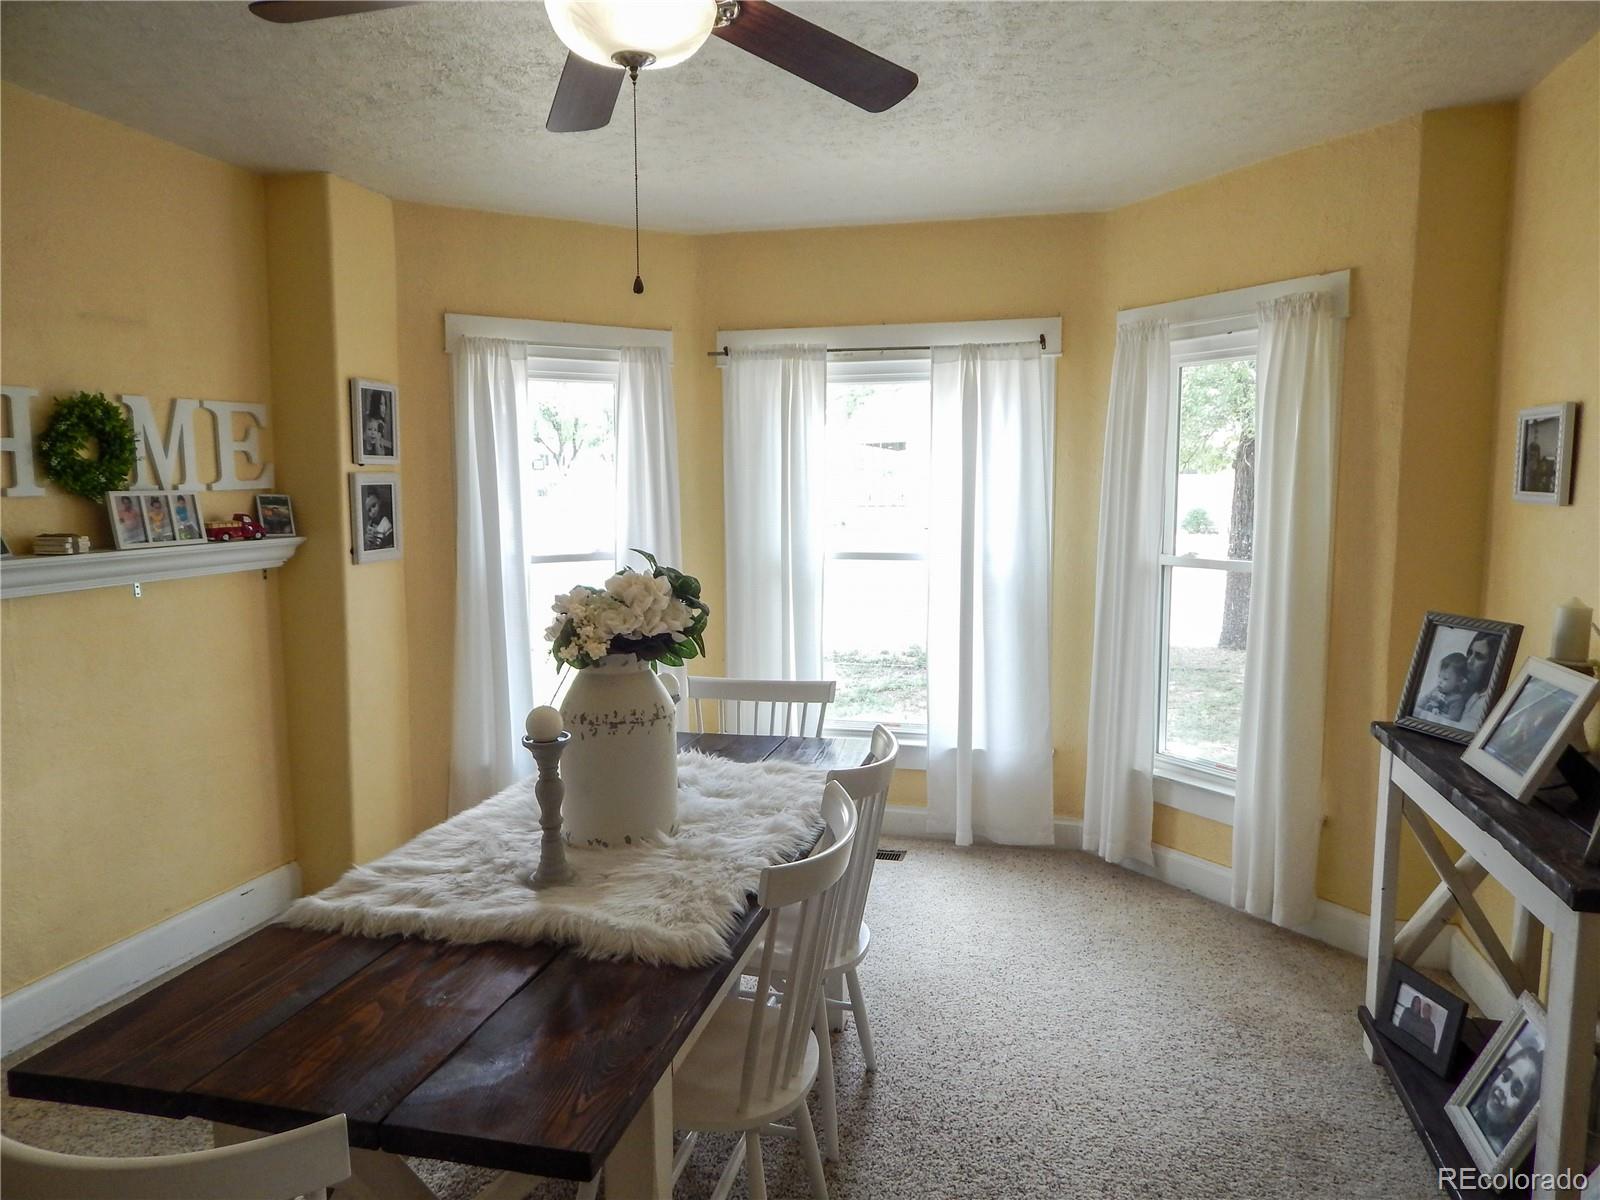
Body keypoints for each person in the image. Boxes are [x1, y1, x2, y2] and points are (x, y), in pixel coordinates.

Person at [1472, 1039, 1542, 1154]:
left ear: (1521, 1111)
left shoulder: (1494, 1151)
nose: (1503, 1089)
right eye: (1506, 1075)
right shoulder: (1473, 1110)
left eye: (1516, 1090)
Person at [1458, 632, 1501, 730]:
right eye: (1470, 653)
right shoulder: (1468, 687)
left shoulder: (1488, 701)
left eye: (1479, 657)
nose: (1469, 661)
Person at [1417, 653, 1472, 723]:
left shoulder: (1457, 700)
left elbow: (1452, 720)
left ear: (1459, 680)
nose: (1439, 681)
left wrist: (1438, 715)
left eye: (1445, 679)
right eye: (1439, 676)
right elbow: (1420, 703)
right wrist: (1425, 701)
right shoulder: (1436, 690)